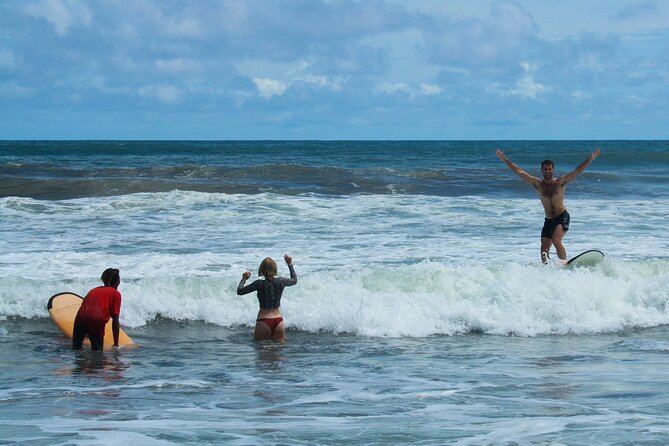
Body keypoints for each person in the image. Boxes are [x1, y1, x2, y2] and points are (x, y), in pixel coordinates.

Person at [496, 148, 601, 264]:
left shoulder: (560, 182)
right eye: (545, 169)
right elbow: (520, 172)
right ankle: (548, 269)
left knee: (556, 240)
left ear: (553, 170)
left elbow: (577, 171)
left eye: (549, 169)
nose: (547, 171)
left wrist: (590, 159)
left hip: (562, 216)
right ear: (542, 170)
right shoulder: (538, 184)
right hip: (548, 220)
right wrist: (505, 159)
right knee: (543, 251)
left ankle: (564, 263)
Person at [237, 255, 297, 342]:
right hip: (278, 321)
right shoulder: (281, 281)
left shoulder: (259, 284)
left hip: (263, 321)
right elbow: (294, 280)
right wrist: (290, 264)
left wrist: (244, 279)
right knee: (279, 353)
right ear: (275, 268)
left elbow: (240, 291)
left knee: (261, 352)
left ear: (262, 269)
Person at [72, 268, 122, 351]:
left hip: (80, 318)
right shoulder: (115, 294)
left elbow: (88, 310)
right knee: (97, 352)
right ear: (118, 282)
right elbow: (115, 320)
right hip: (96, 321)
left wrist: (87, 331)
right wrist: (116, 344)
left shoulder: (94, 290)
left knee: (76, 349)